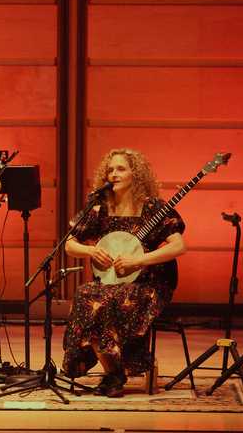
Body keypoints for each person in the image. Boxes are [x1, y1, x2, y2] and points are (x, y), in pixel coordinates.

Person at [62, 148, 186, 397]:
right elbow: (69, 243)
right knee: (86, 293)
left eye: (121, 169)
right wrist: (91, 251)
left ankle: (115, 373)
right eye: (110, 169)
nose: (114, 174)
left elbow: (179, 246)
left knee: (109, 299)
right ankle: (113, 372)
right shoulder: (100, 207)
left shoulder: (152, 207)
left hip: (150, 283)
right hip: (111, 282)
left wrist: (139, 260)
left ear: (135, 174)